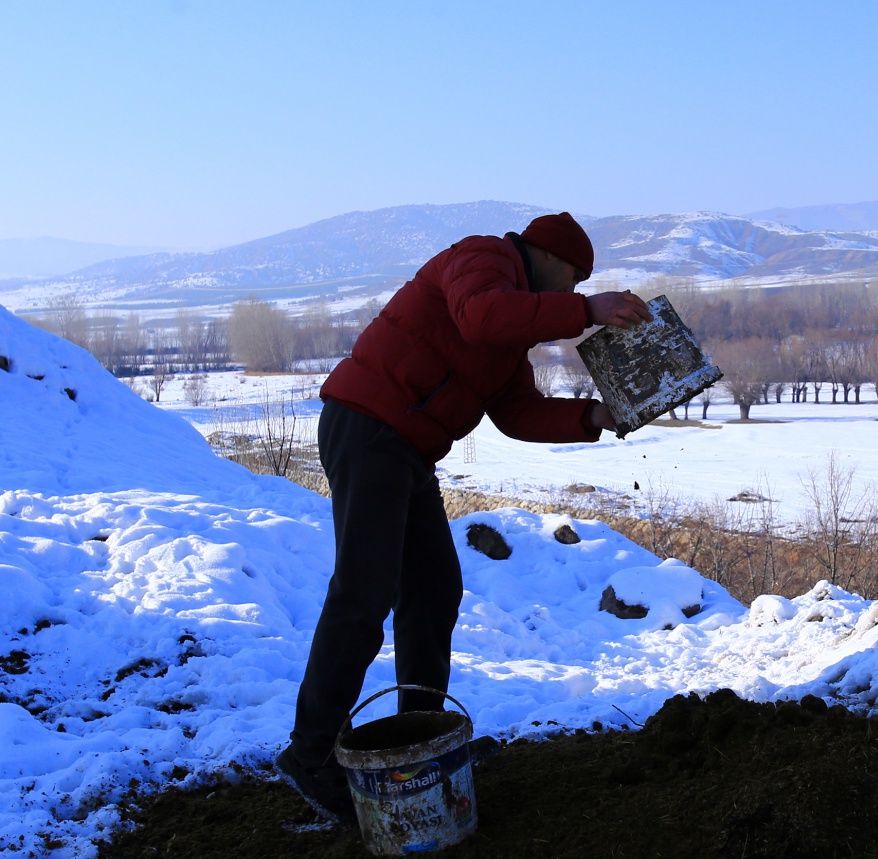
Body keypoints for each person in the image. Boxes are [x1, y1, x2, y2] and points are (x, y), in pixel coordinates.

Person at [276, 212, 652, 823]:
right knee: (363, 594)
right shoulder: (482, 259)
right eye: (572, 277)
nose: (567, 292)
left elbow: (517, 412)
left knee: (431, 590)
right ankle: (311, 754)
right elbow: (482, 315)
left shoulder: (511, 325)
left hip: (407, 449)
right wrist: (586, 310)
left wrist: (593, 419)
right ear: (549, 255)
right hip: (370, 426)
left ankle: (418, 735)